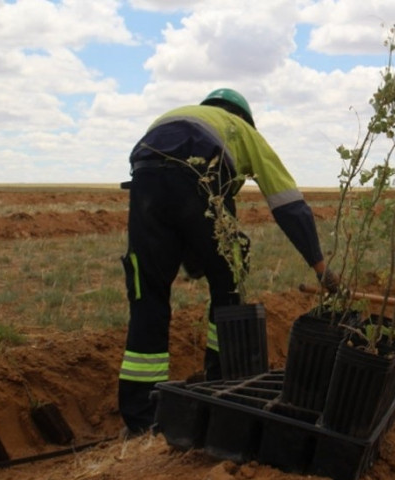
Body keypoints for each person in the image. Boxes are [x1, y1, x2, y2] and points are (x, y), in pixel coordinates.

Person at [118, 87, 340, 435]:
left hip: (144, 178)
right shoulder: (244, 132)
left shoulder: (175, 116)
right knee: (230, 277)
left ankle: (142, 417)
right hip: (201, 171)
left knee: (148, 295)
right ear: (244, 118)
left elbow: (169, 190)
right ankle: (221, 386)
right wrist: (320, 267)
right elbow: (288, 204)